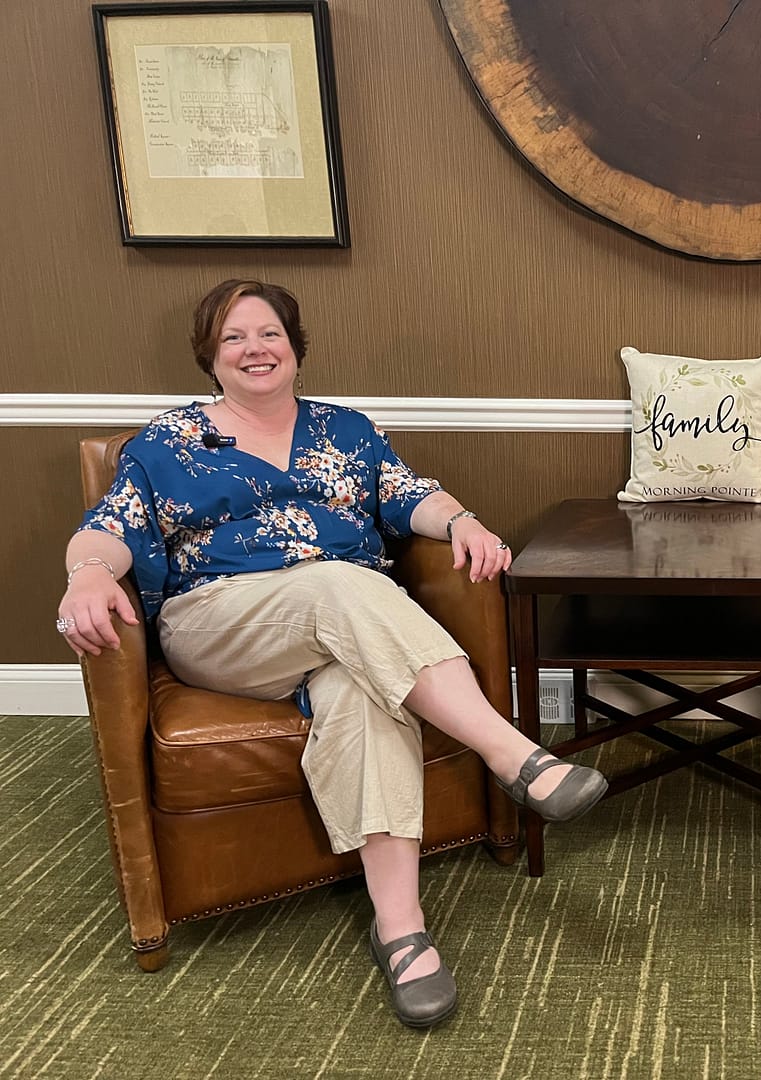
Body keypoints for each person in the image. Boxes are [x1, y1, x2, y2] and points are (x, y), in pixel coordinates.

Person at [56, 279, 608, 1029]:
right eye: (233, 338)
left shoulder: (345, 429)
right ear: (209, 357)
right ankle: (513, 756)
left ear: (294, 346)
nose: (255, 348)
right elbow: (109, 524)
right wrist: (87, 571)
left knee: (361, 693)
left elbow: (409, 493)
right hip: (222, 624)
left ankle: (402, 930)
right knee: (338, 586)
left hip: (346, 624)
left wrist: (463, 522)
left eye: (269, 333)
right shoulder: (167, 441)